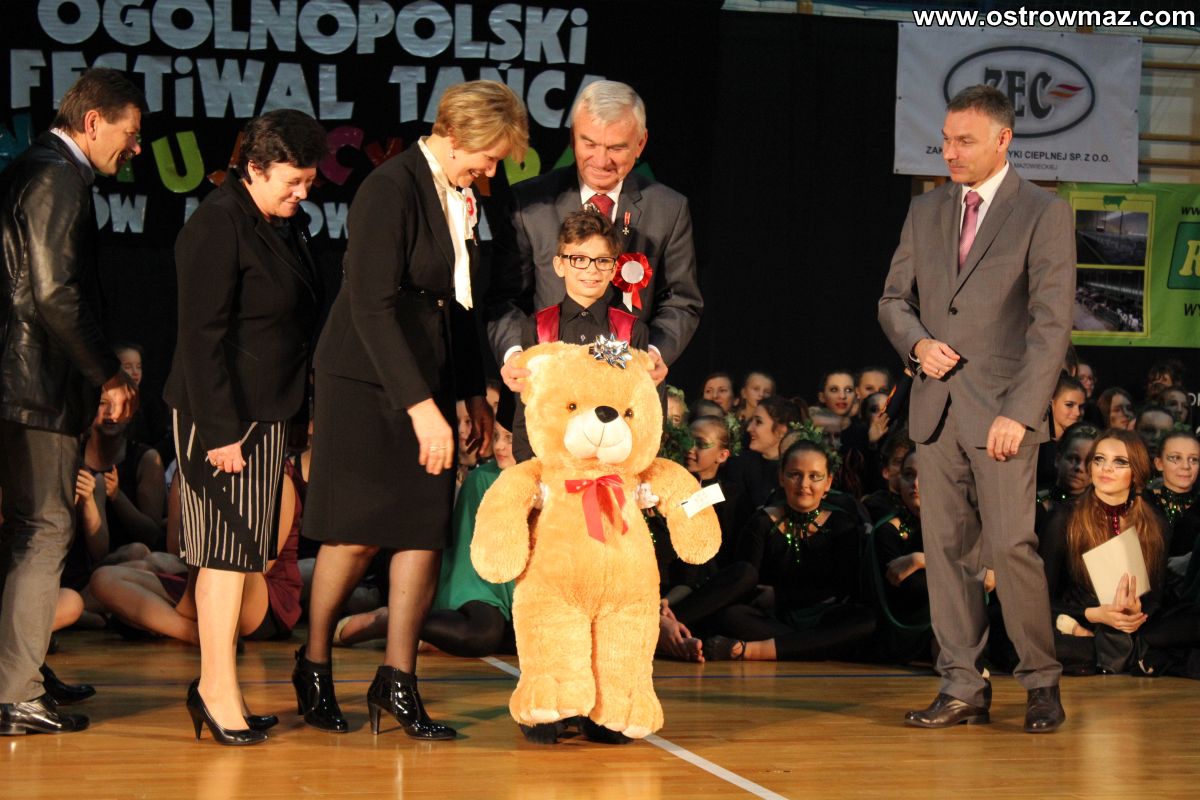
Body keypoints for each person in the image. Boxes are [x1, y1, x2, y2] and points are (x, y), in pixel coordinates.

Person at [297, 81, 527, 741]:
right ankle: (314, 663)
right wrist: (422, 408)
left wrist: (471, 393)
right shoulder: (390, 188)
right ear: (454, 134)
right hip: (364, 381)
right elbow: (371, 307)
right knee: (357, 533)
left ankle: (398, 680)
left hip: (426, 378)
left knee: (424, 531)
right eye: (487, 156)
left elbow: (457, 305)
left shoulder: (464, 195)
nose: (491, 170)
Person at [878, 85, 1074, 733]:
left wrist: (1021, 411)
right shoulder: (926, 209)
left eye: (965, 140)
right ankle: (962, 684)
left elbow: (1051, 324)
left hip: (1004, 416)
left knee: (1012, 547)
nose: (951, 151)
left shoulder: (1043, 213)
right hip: (935, 411)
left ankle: (1041, 682)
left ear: (1002, 139)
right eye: (946, 139)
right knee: (946, 550)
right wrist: (916, 343)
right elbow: (893, 300)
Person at [163, 109, 326, 746]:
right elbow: (200, 339)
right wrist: (220, 431)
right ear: (254, 168)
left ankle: (218, 688)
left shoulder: (280, 222)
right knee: (225, 557)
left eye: (309, 181)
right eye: (292, 181)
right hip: (223, 419)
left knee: (241, 557)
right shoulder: (215, 225)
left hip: (266, 414)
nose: (303, 192)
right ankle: (215, 691)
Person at [0, 68, 143, 736]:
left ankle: (20, 667)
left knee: (25, 530)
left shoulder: (35, 168)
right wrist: (108, 375)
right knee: (45, 527)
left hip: (22, 381)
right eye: (130, 132)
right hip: (35, 385)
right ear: (93, 122)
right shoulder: (58, 177)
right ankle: (16, 689)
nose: (135, 147)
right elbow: (55, 293)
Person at [487, 79, 701, 394]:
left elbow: (681, 301)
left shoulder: (668, 208)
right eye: (589, 144)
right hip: (544, 389)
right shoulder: (529, 204)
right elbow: (504, 298)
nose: (601, 161)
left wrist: (653, 354)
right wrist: (515, 354)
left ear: (640, 143)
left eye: (616, 148)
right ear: (573, 137)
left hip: (630, 391)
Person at [1039, 430, 1200, 677]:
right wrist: (1093, 614)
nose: (1106, 468)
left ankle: (1137, 653)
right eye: (1099, 459)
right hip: (1079, 621)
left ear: (1136, 471)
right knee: (1046, 642)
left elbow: (1155, 598)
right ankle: (1139, 655)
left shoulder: (1154, 522)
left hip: (1137, 625)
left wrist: (1136, 613)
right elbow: (1039, 599)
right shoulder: (1064, 518)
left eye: (1120, 462)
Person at [703, 440, 874, 661]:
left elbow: (841, 588)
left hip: (821, 615)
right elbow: (748, 583)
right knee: (731, 615)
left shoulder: (842, 524)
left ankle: (752, 650)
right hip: (773, 619)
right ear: (781, 477)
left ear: (828, 482)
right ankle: (810, 646)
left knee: (864, 621)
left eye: (815, 476)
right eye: (795, 474)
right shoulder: (761, 521)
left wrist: (781, 596)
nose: (804, 484)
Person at [510, 209, 649, 461]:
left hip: (612, 466)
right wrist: (530, 466)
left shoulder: (629, 331)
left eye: (602, 261)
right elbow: (527, 406)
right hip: (551, 465)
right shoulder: (539, 328)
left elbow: (644, 409)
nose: (591, 269)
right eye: (579, 259)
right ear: (559, 265)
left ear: (613, 269)